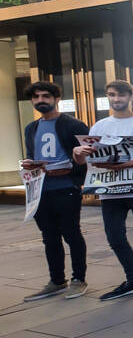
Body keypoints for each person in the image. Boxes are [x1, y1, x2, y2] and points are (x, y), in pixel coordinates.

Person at [73, 80, 133, 302]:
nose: (117, 99)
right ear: (107, 97)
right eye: (112, 94)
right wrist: (78, 152)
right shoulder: (99, 126)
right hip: (110, 190)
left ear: (130, 97)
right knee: (114, 236)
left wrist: (120, 166)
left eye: (121, 95)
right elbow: (83, 160)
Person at [21, 81, 89, 301]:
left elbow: (87, 158)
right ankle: (57, 281)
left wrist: (70, 170)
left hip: (66, 188)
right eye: (36, 96)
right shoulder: (31, 128)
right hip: (40, 190)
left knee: (71, 234)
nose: (41, 100)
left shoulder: (74, 125)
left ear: (56, 98)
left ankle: (79, 279)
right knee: (49, 237)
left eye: (46, 96)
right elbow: (34, 154)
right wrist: (30, 164)